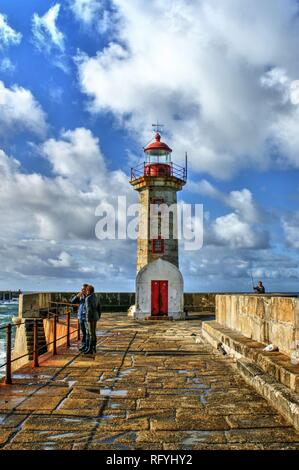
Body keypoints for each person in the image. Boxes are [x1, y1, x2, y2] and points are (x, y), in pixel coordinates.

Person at [71, 284, 89, 352]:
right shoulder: (80, 297)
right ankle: (84, 345)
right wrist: (77, 296)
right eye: (82, 289)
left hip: (86, 317)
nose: (82, 291)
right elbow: (72, 301)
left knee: (87, 333)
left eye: (84, 289)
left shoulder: (88, 297)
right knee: (83, 332)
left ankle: (88, 346)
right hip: (80, 316)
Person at [84, 285, 99, 355]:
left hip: (90, 318)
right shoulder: (96, 297)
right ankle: (94, 347)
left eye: (86, 290)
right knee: (94, 333)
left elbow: (88, 310)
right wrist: (98, 316)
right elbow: (99, 308)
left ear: (88, 290)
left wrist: (87, 319)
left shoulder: (88, 298)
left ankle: (90, 349)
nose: (86, 292)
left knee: (90, 334)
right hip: (95, 317)